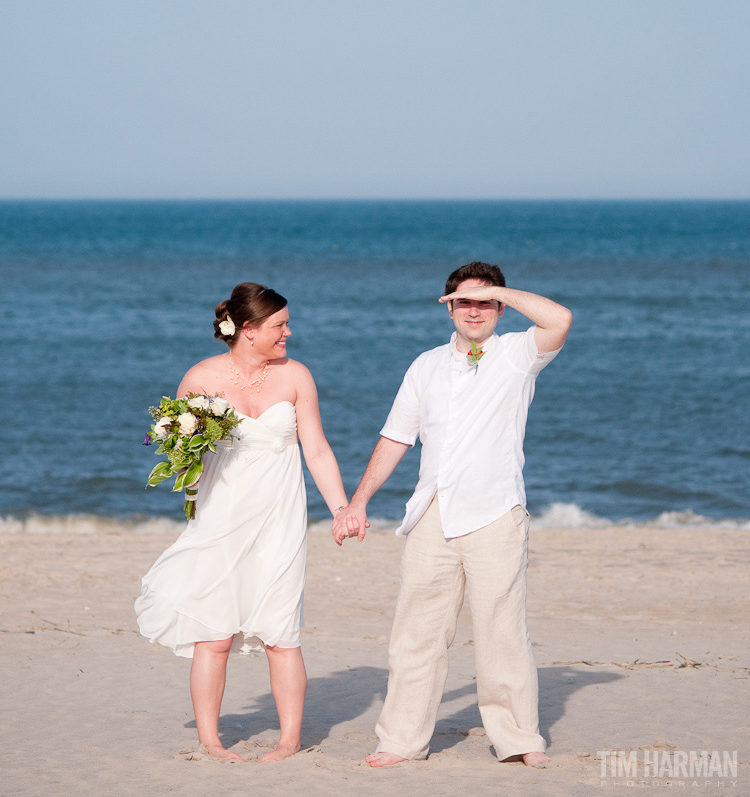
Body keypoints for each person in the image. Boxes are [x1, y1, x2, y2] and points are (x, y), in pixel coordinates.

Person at [332, 261, 572, 769]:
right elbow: (397, 435)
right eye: (465, 301)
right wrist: (358, 501)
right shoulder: (425, 365)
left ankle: (519, 739)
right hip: (431, 514)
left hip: (494, 511)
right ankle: (400, 739)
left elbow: (559, 319)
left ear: (501, 307)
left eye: (486, 302)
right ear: (449, 307)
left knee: (501, 630)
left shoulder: (516, 355)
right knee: (416, 634)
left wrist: (497, 288)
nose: (476, 310)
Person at [135, 283, 349, 764]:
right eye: (280, 325)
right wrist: (183, 449)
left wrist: (340, 509)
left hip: (280, 516)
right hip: (222, 518)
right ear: (248, 330)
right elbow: (183, 459)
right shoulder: (200, 378)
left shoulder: (296, 376)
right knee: (213, 634)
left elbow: (315, 448)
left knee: (280, 632)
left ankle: (289, 740)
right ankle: (210, 741)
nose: (288, 333)